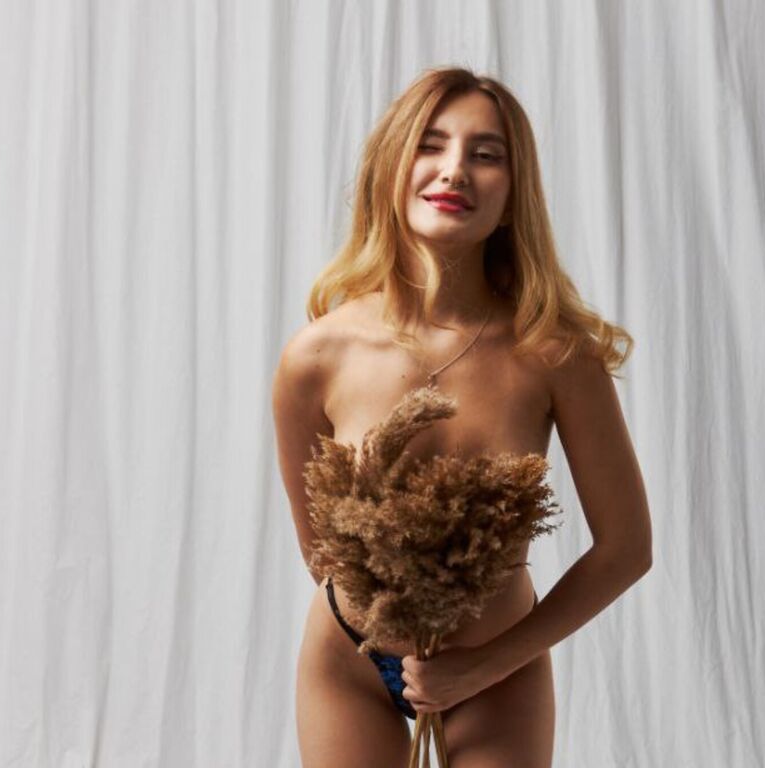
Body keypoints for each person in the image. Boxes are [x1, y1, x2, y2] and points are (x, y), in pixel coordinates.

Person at [272, 65, 652, 768]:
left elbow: (627, 548)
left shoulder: (555, 353)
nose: (454, 170)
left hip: (498, 671)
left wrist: (482, 666)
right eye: (430, 144)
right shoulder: (315, 357)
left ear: (511, 198)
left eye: (486, 153)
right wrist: (394, 618)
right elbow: (321, 551)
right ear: (392, 169)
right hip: (347, 665)